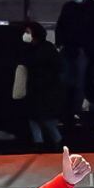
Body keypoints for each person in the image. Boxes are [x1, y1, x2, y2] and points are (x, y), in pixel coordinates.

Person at [55, 0, 94, 119]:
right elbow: (60, 26)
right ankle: (67, 111)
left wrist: (92, 51)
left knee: (80, 82)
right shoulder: (68, 7)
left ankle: (76, 111)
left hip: (85, 51)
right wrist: (59, 44)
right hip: (69, 49)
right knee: (66, 81)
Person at [19, 21, 64, 149]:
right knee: (35, 119)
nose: (25, 35)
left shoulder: (46, 49)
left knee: (45, 120)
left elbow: (57, 68)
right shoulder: (31, 49)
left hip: (47, 90)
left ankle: (55, 143)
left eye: (28, 32)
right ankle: (41, 144)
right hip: (35, 89)